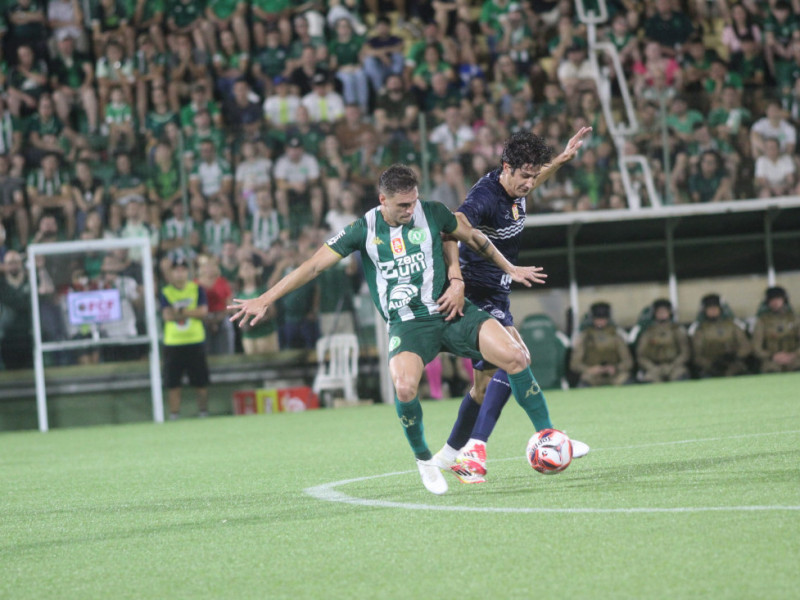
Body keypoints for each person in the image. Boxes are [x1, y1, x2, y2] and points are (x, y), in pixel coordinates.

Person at [230, 164, 569, 495]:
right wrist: (266, 297)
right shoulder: (362, 229)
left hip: (450, 311)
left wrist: (504, 268)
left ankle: (548, 436)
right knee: (405, 387)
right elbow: (314, 265)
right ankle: (424, 459)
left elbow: (473, 238)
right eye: (403, 205)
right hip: (408, 325)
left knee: (515, 355)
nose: (411, 209)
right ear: (383, 200)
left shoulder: (432, 212)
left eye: (414, 201)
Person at [433, 129, 592, 485]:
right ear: (507, 167)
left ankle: (447, 456)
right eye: (525, 175)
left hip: (497, 293)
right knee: (516, 357)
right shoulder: (486, 195)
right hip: (477, 293)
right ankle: (527, 439)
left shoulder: (517, 188)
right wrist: (457, 281)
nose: (530, 183)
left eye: (535, 175)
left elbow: (531, 184)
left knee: (484, 385)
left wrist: (560, 162)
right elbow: (454, 226)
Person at [161, 255, 210, 419]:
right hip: (173, 343)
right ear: (171, 273)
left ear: (188, 272)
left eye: (183, 270)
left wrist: (180, 312)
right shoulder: (166, 291)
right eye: (176, 270)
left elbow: (203, 312)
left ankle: (203, 412)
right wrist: (192, 312)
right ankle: (174, 414)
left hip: (195, 341)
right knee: (173, 383)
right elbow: (167, 315)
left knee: (201, 381)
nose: (180, 274)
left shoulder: (197, 289)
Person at [570, 301, 634, 387]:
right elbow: (575, 363)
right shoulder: (584, 337)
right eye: (598, 318)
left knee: (627, 381)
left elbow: (628, 361)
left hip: (614, 375)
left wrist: (615, 368)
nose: (600, 322)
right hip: (592, 377)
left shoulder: (616, 336)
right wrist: (589, 369)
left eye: (603, 319)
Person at [689, 293, 751, 378]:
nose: (713, 311)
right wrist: (711, 365)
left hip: (734, 364)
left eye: (715, 308)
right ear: (705, 311)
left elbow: (745, 346)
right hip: (711, 368)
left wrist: (736, 357)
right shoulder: (699, 329)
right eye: (710, 308)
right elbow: (697, 355)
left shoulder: (732, 325)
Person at [635, 299, 691, 383]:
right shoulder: (648, 333)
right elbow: (641, 355)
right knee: (649, 380)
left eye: (664, 312)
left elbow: (685, 352)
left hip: (674, 366)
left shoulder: (677, 330)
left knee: (681, 377)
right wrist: (652, 367)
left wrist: (674, 365)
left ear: (670, 313)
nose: (662, 314)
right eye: (659, 312)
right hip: (654, 367)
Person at [751, 286, 800, 373]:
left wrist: (793, 354)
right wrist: (772, 356)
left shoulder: (795, 319)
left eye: (778, 298)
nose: (775, 302)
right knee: (770, 370)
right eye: (772, 300)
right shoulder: (762, 321)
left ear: (784, 300)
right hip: (771, 359)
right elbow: (756, 347)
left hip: (795, 357)